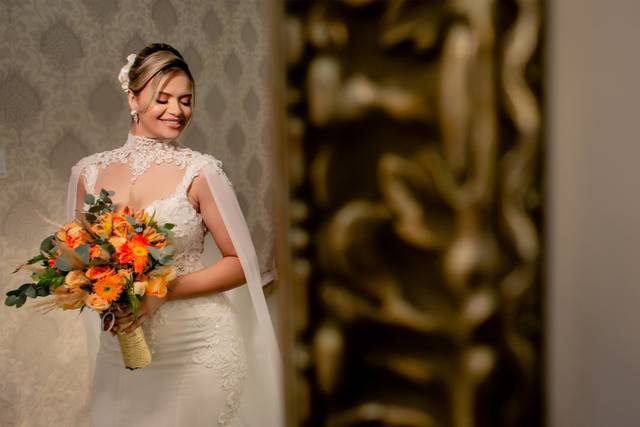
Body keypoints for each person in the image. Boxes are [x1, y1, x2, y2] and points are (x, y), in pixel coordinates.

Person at [65, 43, 283, 427]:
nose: (177, 111)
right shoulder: (88, 171)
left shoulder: (201, 171)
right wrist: (105, 295)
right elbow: (79, 259)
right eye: (162, 98)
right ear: (132, 98)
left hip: (196, 344)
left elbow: (240, 263)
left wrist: (159, 291)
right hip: (122, 346)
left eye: (185, 100)